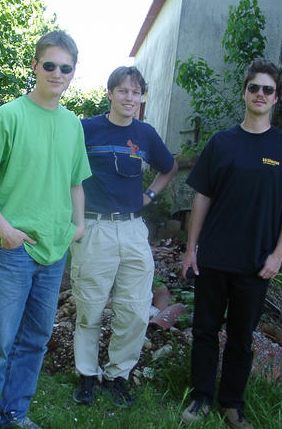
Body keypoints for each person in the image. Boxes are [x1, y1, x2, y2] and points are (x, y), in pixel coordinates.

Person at [0, 30, 91, 429]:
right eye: (49, 65)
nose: (57, 73)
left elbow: (75, 182)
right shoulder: (8, 117)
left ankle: (14, 412)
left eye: (65, 68)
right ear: (34, 66)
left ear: (73, 74)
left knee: (34, 340)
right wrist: (4, 230)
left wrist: (77, 225)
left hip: (53, 252)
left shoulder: (73, 125)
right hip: (10, 251)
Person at [180, 58, 282, 429]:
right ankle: (201, 398)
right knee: (204, 330)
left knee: (241, 338)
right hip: (214, 258)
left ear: (276, 98)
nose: (260, 94)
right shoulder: (222, 142)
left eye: (268, 89)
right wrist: (191, 248)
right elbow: (201, 197)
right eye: (255, 88)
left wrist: (279, 255)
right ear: (244, 92)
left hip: (256, 262)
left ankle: (231, 405)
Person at [70, 66, 178, 408]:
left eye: (136, 92)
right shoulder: (86, 129)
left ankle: (119, 375)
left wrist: (149, 197)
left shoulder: (145, 134)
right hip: (94, 227)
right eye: (123, 91)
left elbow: (169, 166)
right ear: (110, 94)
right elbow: (65, 170)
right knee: (90, 306)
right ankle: (87, 374)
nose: (130, 98)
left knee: (133, 308)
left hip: (133, 229)